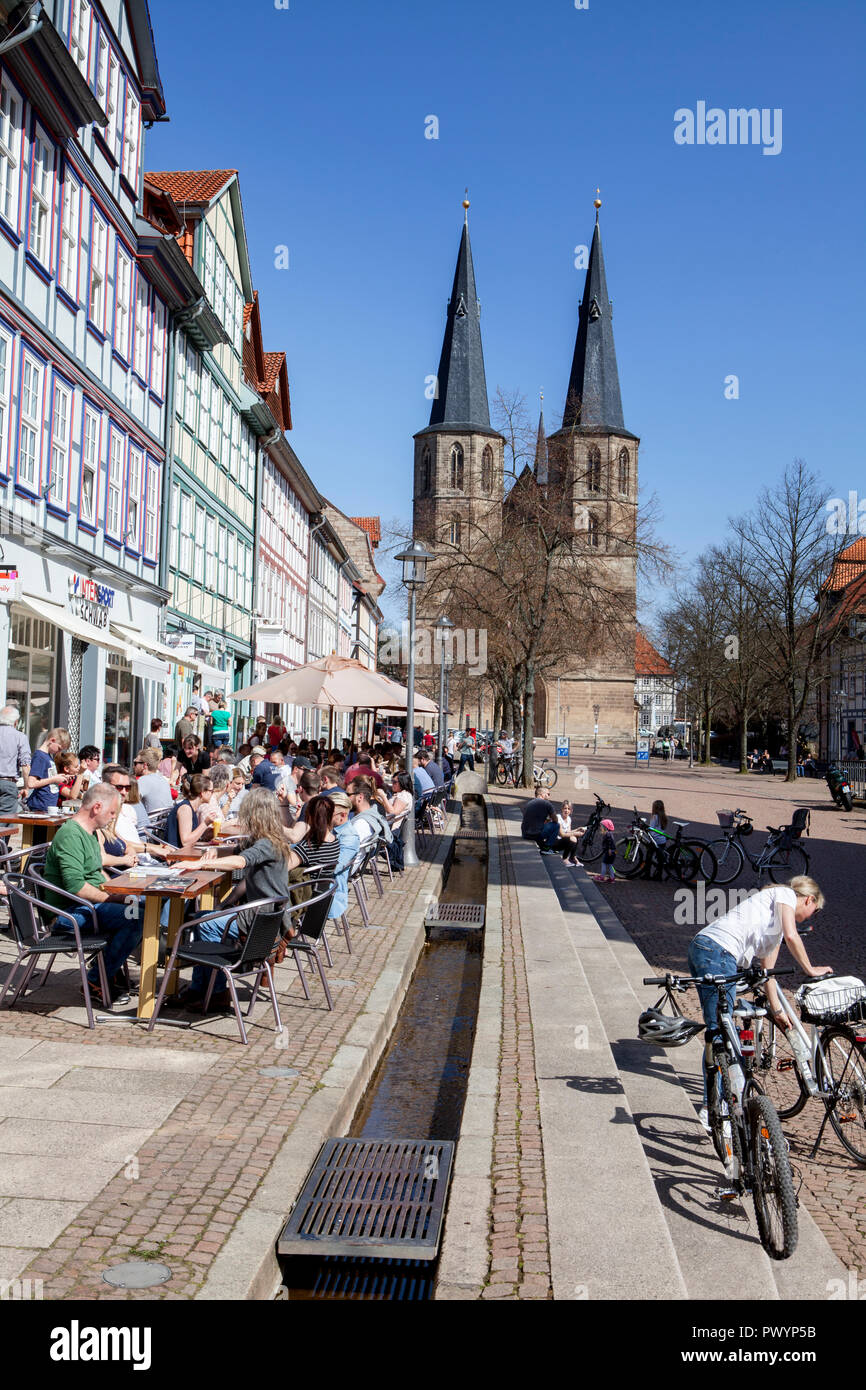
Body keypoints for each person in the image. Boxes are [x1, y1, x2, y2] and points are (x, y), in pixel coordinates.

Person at [687, 876, 831, 1123]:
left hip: (711, 951)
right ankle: (713, 1108)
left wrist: (777, 1010)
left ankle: (720, 1104)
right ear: (809, 899)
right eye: (814, 910)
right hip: (717, 951)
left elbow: (768, 976)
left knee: (721, 1031)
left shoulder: (772, 931)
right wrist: (810, 969)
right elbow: (793, 935)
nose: (811, 915)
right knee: (721, 1033)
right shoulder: (784, 894)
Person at [178, 786, 304, 1009]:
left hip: (260, 921)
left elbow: (240, 862)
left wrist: (201, 863)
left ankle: (216, 992)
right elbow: (236, 851)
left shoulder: (266, 844)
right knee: (201, 917)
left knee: (206, 924)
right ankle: (200, 988)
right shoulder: (268, 839)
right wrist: (217, 852)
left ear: (254, 814)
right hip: (266, 917)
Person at [42, 782, 144, 1006]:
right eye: (112, 812)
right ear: (97, 807)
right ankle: (96, 979)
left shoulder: (90, 833)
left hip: (84, 906)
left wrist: (118, 892)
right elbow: (76, 886)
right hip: (66, 914)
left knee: (144, 905)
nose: (113, 817)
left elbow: (97, 873)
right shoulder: (70, 834)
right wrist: (115, 898)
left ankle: (110, 969)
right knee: (136, 915)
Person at [164, 773, 219, 850]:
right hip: (176, 855)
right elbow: (185, 842)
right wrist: (205, 823)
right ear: (202, 793)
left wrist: (206, 834)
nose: (212, 794)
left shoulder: (192, 807)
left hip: (184, 853)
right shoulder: (185, 809)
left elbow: (190, 836)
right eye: (211, 791)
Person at [26, 727, 71, 812]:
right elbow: (31, 783)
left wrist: (59, 777)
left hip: (47, 805)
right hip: (40, 806)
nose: (59, 752)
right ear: (52, 740)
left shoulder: (47, 756)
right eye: (59, 748)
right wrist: (54, 779)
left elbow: (46, 777)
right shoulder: (40, 756)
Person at [0, 705, 31, 817]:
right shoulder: (20, 737)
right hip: (8, 784)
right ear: (16, 722)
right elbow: (25, 765)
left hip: (7, 784)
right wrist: (26, 787)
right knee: (4, 823)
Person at [133, 748, 174, 814]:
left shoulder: (143, 780)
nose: (133, 766)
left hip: (150, 822)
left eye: (135, 763)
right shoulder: (163, 780)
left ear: (144, 765)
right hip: (164, 821)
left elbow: (129, 801)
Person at [520, 789, 559, 854]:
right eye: (548, 794)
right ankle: (546, 848)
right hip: (536, 835)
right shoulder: (547, 804)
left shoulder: (529, 803)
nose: (549, 796)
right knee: (556, 825)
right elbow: (555, 820)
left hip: (525, 834)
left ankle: (542, 846)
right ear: (542, 794)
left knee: (539, 827)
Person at [641, 799, 667, 881]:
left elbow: (651, 828)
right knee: (660, 860)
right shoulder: (664, 817)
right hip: (662, 840)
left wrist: (645, 827)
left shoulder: (654, 817)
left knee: (649, 857)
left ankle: (647, 874)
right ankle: (658, 876)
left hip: (655, 840)